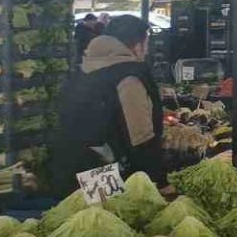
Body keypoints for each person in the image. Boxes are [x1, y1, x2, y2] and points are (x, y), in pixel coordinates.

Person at [47, 15, 163, 196]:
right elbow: (140, 136)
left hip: (68, 174)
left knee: (85, 212)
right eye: (146, 44)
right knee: (110, 211)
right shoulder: (128, 77)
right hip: (107, 175)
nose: (146, 51)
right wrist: (160, 181)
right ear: (137, 46)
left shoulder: (83, 70)